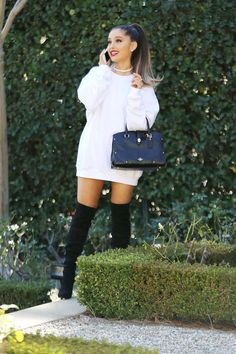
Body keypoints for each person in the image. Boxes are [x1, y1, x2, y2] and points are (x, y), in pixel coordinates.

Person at [58, 23, 160, 299]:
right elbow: (87, 99)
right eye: (109, 41)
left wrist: (136, 92)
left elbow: (140, 126)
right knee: (82, 216)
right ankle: (66, 285)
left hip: (126, 157)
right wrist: (103, 71)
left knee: (120, 218)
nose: (112, 45)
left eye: (118, 40)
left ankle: (118, 287)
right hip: (93, 151)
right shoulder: (98, 74)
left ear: (133, 45)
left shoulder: (144, 86)